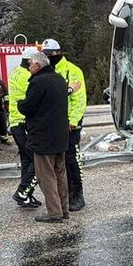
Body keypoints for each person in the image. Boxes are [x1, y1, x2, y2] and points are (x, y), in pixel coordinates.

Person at [18, 51, 70, 223]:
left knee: (46, 176)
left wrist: (19, 104)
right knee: (60, 174)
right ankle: (64, 209)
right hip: (60, 135)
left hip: (43, 136)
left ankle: (54, 213)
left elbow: (28, 107)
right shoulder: (59, 79)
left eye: (30, 64)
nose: (28, 67)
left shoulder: (38, 82)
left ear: (38, 65)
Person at [43, 38, 88, 211]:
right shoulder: (47, 71)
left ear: (58, 53)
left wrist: (73, 121)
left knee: (71, 158)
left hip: (70, 123)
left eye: (49, 54)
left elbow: (79, 99)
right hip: (53, 123)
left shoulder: (72, 71)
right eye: (45, 55)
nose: (47, 57)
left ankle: (77, 195)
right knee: (56, 160)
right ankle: (63, 195)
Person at [10, 47, 42, 209]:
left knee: (26, 160)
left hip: (16, 122)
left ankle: (27, 195)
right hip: (23, 122)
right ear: (30, 60)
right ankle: (23, 193)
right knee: (35, 159)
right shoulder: (27, 76)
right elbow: (34, 99)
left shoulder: (16, 72)